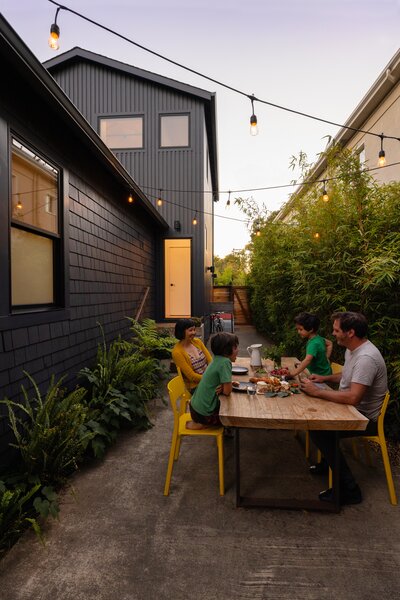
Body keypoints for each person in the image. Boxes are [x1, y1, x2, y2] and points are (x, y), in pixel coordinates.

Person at [300, 311, 387, 505]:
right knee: (315, 421)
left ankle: (349, 489)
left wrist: (317, 392)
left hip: (364, 419)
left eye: (336, 330)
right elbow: (347, 376)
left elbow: (353, 397)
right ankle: (328, 463)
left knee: (319, 429)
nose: (332, 334)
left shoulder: (366, 358)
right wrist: (324, 379)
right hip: (352, 410)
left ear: (351, 332)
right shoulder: (352, 349)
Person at [187, 332, 239, 430]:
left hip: (194, 408)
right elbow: (227, 392)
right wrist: (225, 387)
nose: (238, 350)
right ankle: (202, 424)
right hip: (204, 414)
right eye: (235, 347)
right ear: (227, 350)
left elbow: (220, 385)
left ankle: (199, 422)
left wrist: (224, 386)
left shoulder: (216, 359)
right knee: (233, 418)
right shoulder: (225, 362)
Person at [172, 319, 212, 393]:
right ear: (182, 332)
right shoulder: (177, 352)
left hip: (208, 380)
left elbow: (210, 361)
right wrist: (210, 379)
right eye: (190, 330)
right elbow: (191, 376)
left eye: (194, 330)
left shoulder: (197, 342)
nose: (194, 332)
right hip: (195, 387)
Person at [288, 312, 332, 378]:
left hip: (321, 377)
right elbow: (330, 343)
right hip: (325, 373)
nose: (298, 332)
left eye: (301, 329)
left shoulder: (314, 343)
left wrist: (292, 374)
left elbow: (307, 360)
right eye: (298, 329)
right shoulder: (318, 338)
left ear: (311, 329)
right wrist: (326, 358)